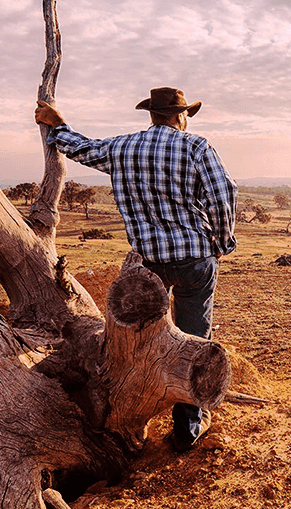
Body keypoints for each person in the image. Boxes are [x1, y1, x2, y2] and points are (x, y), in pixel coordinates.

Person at [35, 87, 237, 451]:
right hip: (194, 259)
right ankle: (189, 426)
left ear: (152, 115)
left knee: (146, 339)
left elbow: (81, 148)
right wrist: (221, 243)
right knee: (194, 335)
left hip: (149, 266)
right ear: (180, 116)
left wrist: (57, 124)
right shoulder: (196, 147)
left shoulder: (123, 147)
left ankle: (132, 408)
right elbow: (224, 195)